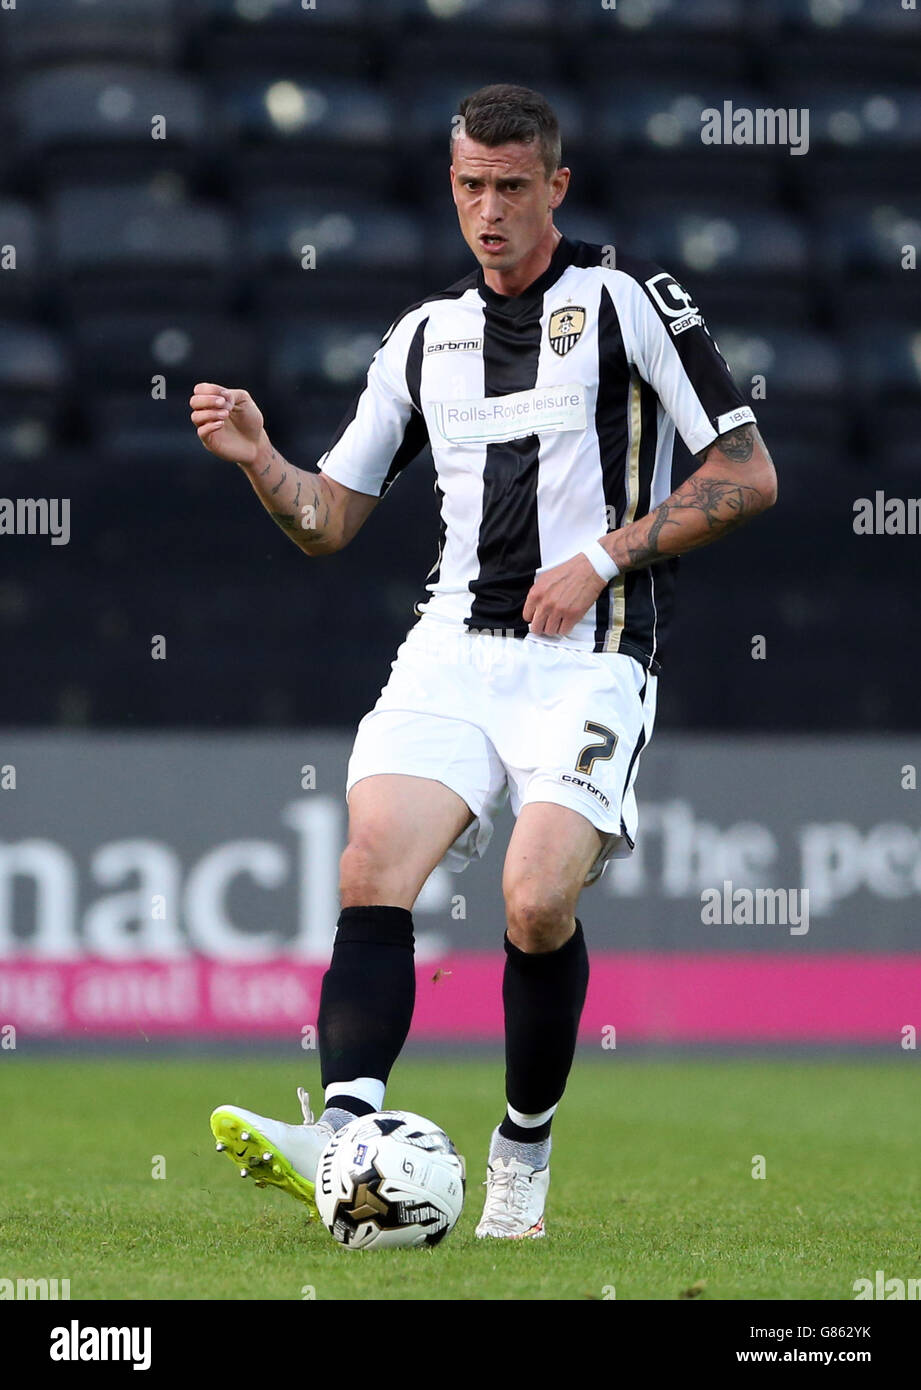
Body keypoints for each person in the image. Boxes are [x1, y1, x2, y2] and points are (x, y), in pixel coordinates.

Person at [190, 84, 777, 1239]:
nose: (490, 210)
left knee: (536, 896)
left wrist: (604, 556)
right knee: (369, 863)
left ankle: (522, 1147)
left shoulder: (630, 303)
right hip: (456, 648)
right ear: (450, 184)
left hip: (592, 655)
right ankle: (346, 1124)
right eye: (470, 186)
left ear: (556, 185)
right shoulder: (424, 337)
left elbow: (748, 477)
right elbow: (329, 520)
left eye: (513, 186)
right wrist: (261, 459)